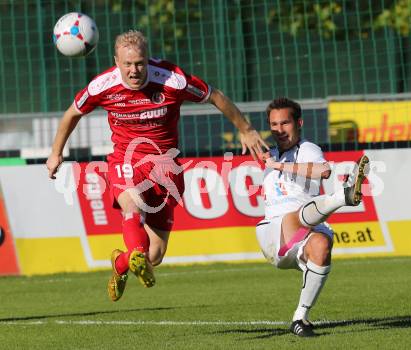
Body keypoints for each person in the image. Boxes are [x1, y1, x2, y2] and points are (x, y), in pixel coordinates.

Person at [46, 30, 268, 302]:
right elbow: (72, 113)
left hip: (165, 168)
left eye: (140, 63)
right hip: (126, 161)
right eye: (127, 64)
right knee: (132, 207)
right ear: (116, 61)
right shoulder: (102, 86)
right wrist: (56, 153)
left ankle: (122, 262)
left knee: (154, 256)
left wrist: (245, 129)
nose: (134, 70)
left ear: (148, 60)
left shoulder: (172, 79)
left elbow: (214, 96)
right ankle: (134, 252)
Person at [256, 97, 369, 337]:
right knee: (294, 217)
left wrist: (279, 166)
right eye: (274, 124)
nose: (279, 130)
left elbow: (323, 170)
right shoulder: (268, 151)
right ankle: (343, 197)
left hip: (303, 230)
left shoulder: (307, 149)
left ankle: (300, 318)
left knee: (322, 244)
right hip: (273, 233)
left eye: (285, 123)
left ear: (299, 123)